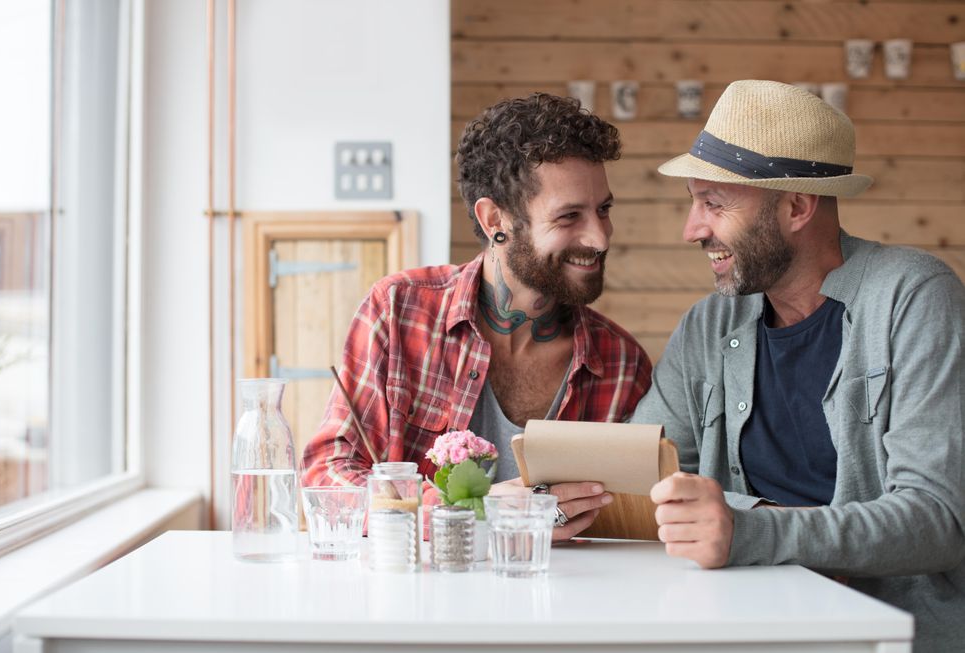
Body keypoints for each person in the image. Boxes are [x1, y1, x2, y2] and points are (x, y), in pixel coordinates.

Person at [631, 79, 964, 652]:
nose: (693, 229)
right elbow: (641, 473)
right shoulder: (709, 325)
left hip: (886, 636)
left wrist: (751, 528)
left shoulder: (914, 296)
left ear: (797, 206)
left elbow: (937, 520)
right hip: (738, 624)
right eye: (693, 201)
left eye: (714, 203)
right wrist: (552, 495)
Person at [304, 93, 652, 540]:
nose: (600, 237)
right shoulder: (397, 312)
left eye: (603, 209)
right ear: (494, 220)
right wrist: (477, 514)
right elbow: (326, 477)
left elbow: (628, 527)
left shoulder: (621, 362)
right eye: (569, 217)